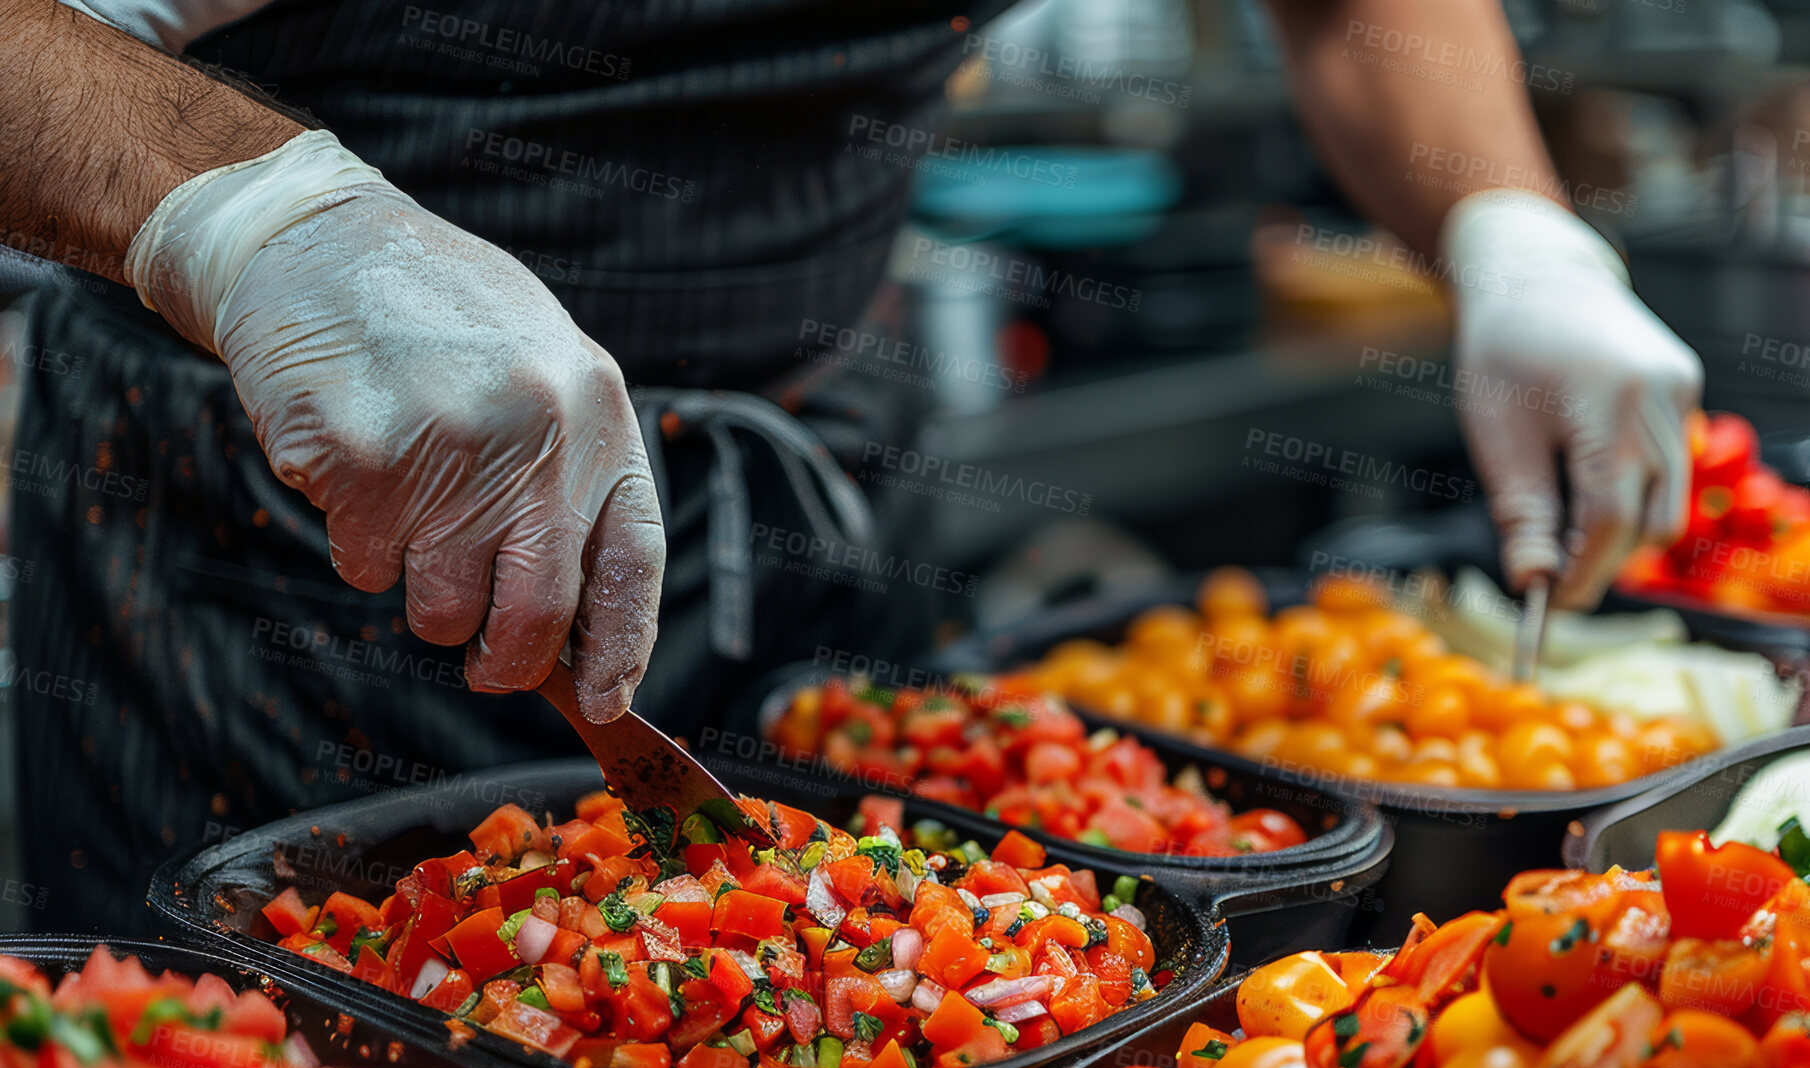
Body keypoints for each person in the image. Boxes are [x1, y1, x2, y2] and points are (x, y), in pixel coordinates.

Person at [0, 0, 1699, 929]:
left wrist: (1507, 229)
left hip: (797, 469)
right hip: (270, 523)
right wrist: (270, 221)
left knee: (820, 940)